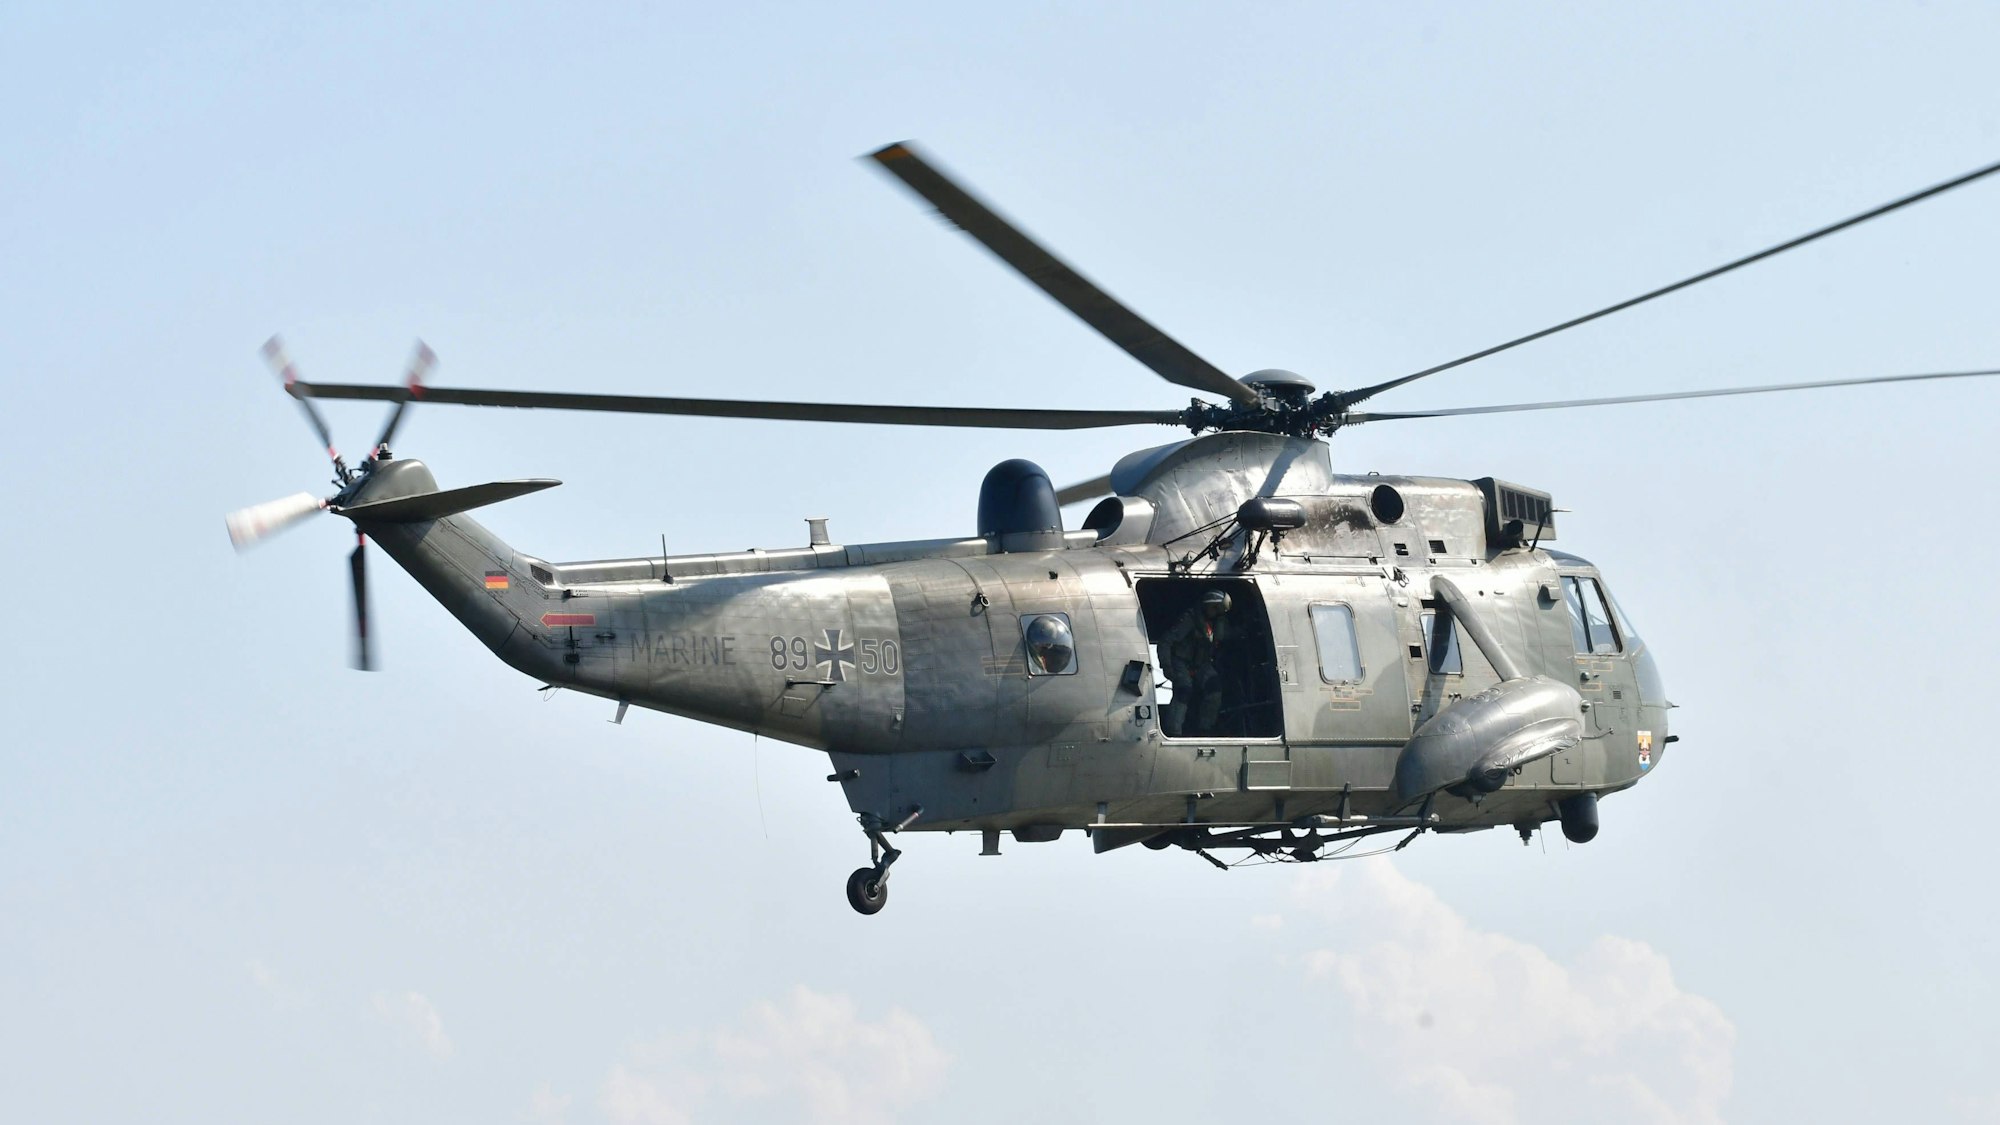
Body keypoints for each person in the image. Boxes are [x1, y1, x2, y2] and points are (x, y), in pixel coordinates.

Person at [1162, 590, 1231, 736]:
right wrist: (1167, 666)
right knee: (1184, 690)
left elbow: (1225, 636)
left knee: (1215, 688)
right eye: (1215, 609)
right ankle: (1173, 731)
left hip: (1202, 664)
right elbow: (1166, 641)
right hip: (1181, 662)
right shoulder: (1190, 619)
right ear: (1209, 606)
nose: (1217, 613)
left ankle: (1205, 728)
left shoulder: (1215, 624)